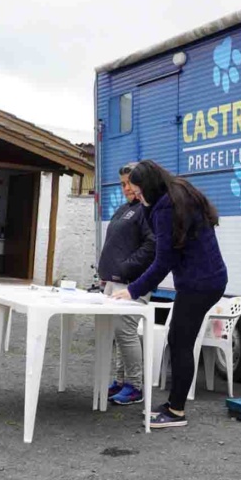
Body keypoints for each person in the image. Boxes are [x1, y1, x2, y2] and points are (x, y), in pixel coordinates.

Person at [110, 160, 228, 429]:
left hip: (200, 283)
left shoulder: (165, 208)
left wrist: (132, 290)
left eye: (139, 192)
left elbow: (162, 262)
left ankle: (176, 411)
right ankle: (173, 404)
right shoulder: (177, 192)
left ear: (150, 186)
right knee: (178, 340)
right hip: (206, 279)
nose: (137, 197)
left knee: (180, 342)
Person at [99, 163, 156, 406]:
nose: (125, 188)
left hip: (132, 283)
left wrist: (126, 267)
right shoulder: (125, 209)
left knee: (126, 330)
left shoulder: (146, 210)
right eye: (122, 184)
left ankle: (135, 385)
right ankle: (121, 380)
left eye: (129, 183)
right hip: (114, 282)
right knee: (117, 332)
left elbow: (152, 245)